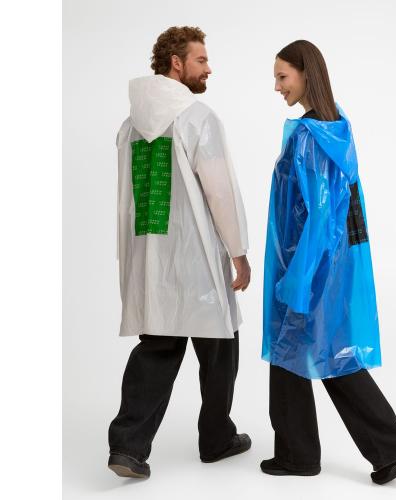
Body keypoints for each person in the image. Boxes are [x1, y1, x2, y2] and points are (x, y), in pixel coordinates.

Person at [260, 40, 396, 485]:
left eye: (282, 76)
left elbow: (318, 215)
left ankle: (298, 455)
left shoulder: (309, 137)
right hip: (334, 265)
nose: (277, 86)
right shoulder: (337, 126)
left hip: (309, 266)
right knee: (330, 353)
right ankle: (392, 452)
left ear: (306, 74)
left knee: (290, 349)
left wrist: (297, 278)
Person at [108, 26, 251, 479]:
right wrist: (238, 251)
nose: (209, 68)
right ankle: (217, 438)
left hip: (151, 259)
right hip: (198, 257)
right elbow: (220, 191)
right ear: (176, 63)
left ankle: (128, 448)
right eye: (201, 60)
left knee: (157, 348)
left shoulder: (130, 125)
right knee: (221, 345)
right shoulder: (198, 118)